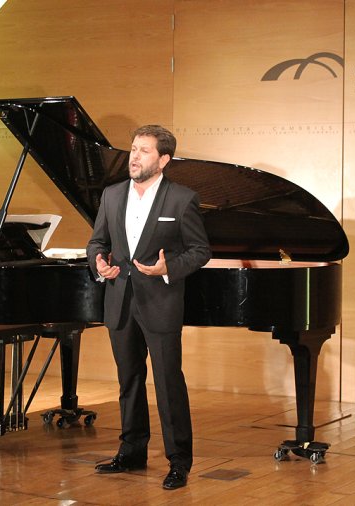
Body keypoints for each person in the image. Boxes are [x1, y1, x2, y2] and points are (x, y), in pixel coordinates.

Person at [86, 125, 211, 490]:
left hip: (161, 302)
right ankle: (131, 451)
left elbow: (200, 251)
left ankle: (179, 462)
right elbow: (97, 241)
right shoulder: (111, 195)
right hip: (119, 301)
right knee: (129, 380)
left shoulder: (182, 199)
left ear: (164, 160)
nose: (134, 156)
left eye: (144, 151)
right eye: (133, 148)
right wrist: (98, 262)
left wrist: (168, 267)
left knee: (169, 383)